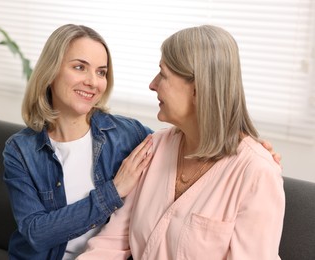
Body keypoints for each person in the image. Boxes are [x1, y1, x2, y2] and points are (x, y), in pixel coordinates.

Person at [77, 25, 285, 259]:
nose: (152, 84)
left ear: (197, 89)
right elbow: (111, 243)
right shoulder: (153, 148)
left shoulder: (256, 173)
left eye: (163, 74)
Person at [2, 24, 154, 260]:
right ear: (50, 72)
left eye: (101, 72)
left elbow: (180, 148)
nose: (93, 82)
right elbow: (36, 233)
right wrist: (113, 192)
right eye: (80, 67)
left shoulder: (127, 134)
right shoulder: (20, 150)